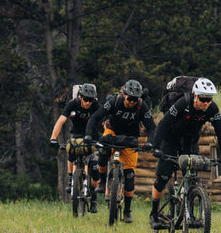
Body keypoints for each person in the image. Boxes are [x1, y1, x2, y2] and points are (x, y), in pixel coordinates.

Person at [149, 77, 221, 229]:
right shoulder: (183, 104)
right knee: (163, 177)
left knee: (192, 176)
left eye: (209, 100)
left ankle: (189, 213)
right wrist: (156, 147)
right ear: (195, 96)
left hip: (190, 141)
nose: (206, 103)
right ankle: (154, 214)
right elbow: (163, 124)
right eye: (202, 99)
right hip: (171, 138)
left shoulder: (212, 109)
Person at [84, 79, 155, 223]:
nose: (132, 102)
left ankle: (127, 211)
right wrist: (88, 134)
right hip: (113, 132)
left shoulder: (142, 106)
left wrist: (150, 142)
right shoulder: (113, 101)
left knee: (129, 175)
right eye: (129, 99)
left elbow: (152, 127)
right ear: (124, 95)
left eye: (135, 100)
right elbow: (95, 117)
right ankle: (103, 182)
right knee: (103, 152)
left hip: (130, 138)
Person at [49, 83, 102, 213]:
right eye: (85, 99)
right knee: (70, 151)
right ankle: (71, 179)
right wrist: (53, 138)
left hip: (93, 136)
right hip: (76, 134)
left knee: (95, 168)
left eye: (91, 100)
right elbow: (61, 120)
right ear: (80, 97)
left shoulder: (96, 106)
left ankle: (94, 198)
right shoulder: (72, 104)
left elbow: (105, 122)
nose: (88, 103)